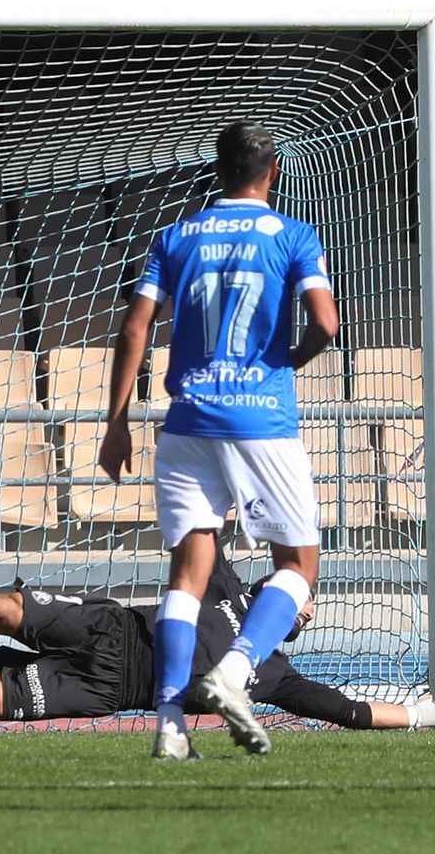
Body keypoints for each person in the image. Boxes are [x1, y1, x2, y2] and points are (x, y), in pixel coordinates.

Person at [97, 120, 340, 759]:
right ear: (274, 174)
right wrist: (285, 362)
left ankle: (171, 727)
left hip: (185, 422)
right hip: (260, 419)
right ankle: (234, 672)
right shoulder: (291, 235)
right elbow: (326, 321)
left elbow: (135, 329)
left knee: (188, 575)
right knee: (298, 567)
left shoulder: (177, 237)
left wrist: (117, 420)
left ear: (217, 171)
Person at [0, 554, 435, 737]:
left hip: (111, 689)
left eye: (300, 603)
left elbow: (352, 712)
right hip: (112, 625)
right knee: (0, 609)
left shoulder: (274, 677)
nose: (292, 604)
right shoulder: (231, 583)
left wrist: (429, 713)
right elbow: (203, 521)